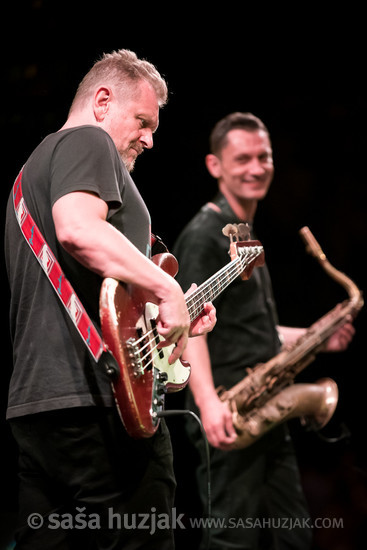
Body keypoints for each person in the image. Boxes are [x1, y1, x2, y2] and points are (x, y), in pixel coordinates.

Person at [4, 49, 216, 550]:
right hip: (99, 408)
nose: (150, 138)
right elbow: (78, 230)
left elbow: (90, 292)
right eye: (143, 121)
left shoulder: (31, 169)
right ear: (102, 101)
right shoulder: (88, 141)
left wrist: (170, 321)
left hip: (39, 408)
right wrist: (166, 289)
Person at [173, 112, 355, 550]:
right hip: (231, 411)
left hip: (264, 406)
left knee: (294, 534)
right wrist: (208, 403)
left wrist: (314, 336)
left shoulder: (245, 234)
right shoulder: (204, 235)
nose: (256, 168)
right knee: (231, 540)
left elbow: (249, 329)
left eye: (264, 156)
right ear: (215, 166)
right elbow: (187, 324)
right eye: (242, 159)